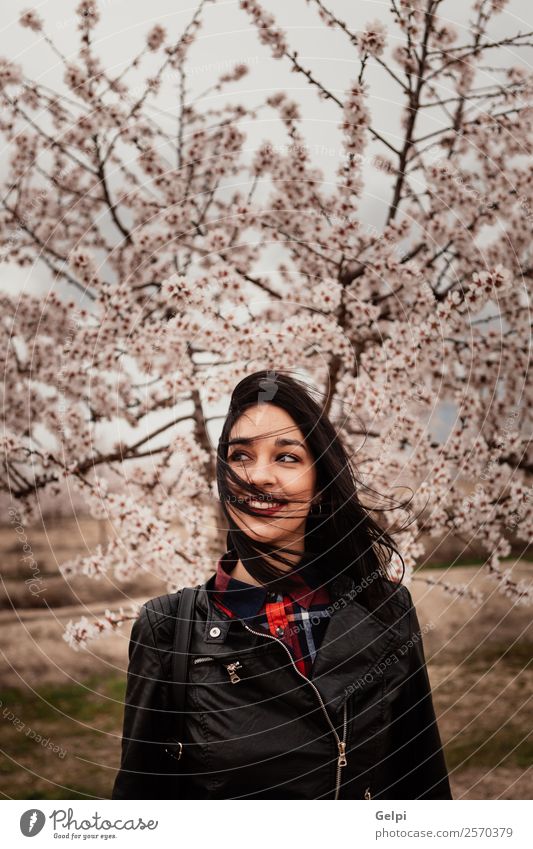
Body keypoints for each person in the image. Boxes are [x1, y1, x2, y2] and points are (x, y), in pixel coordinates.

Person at [112, 370, 452, 800]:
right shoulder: (167, 629)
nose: (258, 476)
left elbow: (422, 785)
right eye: (240, 457)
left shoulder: (384, 610)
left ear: (321, 488)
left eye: (286, 457)